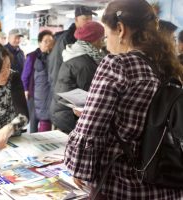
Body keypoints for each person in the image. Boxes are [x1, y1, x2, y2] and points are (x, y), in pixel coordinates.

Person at [64, 0, 183, 199]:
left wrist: (78, 166)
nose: (105, 42)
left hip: (124, 185)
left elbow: (90, 130)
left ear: (120, 29)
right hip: (167, 184)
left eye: (106, 34)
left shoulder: (118, 64)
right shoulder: (170, 67)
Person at [51, 21, 105, 133]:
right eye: (102, 38)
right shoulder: (85, 62)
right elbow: (90, 93)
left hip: (62, 112)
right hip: (70, 117)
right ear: (95, 40)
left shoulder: (75, 52)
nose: (103, 42)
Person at [47, 6, 96, 96]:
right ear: (76, 19)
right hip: (65, 90)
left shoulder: (78, 38)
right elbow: (61, 67)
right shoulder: (69, 39)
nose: (89, 22)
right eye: (85, 19)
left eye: (90, 19)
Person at [21, 30, 54, 132]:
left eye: (51, 41)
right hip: (33, 93)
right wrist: (26, 89)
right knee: (34, 121)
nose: (48, 44)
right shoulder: (32, 56)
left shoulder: (54, 57)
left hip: (47, 94)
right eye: (45, 41)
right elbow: (25, 76)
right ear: (39, 43)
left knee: (46, 120)